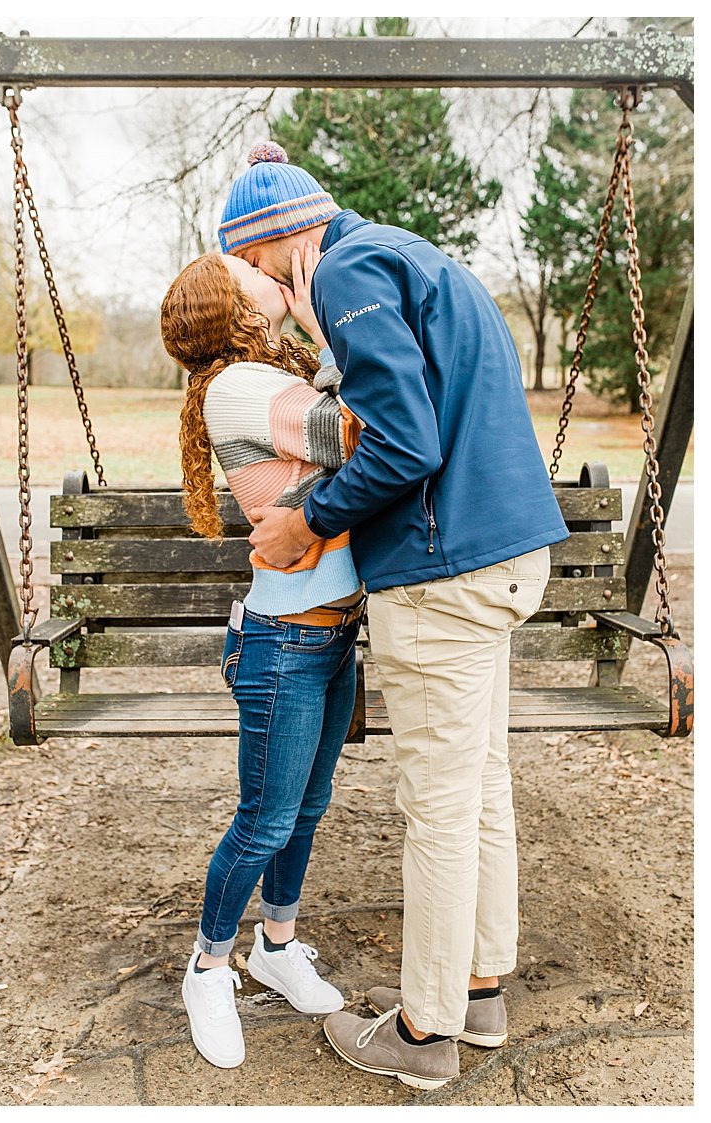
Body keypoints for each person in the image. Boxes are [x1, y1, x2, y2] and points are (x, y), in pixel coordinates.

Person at [220, 142, 567, 1089]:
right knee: (482, 783)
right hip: (506, 555)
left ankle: (424, 1034)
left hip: (441, 570)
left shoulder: (342, 268)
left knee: (438, 811)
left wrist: (309, 518)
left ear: (276, 241)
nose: (268, 296)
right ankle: (480, 989)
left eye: (252, 270)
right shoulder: (417, 256)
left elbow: (406, 441)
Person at [161, 248, 363, 1070]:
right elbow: (356, 431)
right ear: (227, 302)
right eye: (241, 269)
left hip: (331, 629)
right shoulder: (239, 385)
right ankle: (208, 964)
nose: (259, 267)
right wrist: (326, 318)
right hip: (285, 644)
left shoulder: (263, 374)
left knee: (305, 809)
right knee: (266, 817)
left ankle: (275, 944)